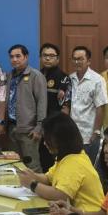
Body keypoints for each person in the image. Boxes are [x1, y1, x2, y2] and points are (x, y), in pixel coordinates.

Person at [17, 112, 105, 211]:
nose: (45, 143)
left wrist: (32, 184)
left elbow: (60, 194)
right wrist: (32, 175)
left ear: (59, 140)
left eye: (47, 139)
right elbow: (48, 178)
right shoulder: (67, 157)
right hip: (73, 214)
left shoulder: (74, 162)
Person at [5, 44, 48, 172]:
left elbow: (42, 103)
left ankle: (37, 186)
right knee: (14, 166)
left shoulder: (36, 76)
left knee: (33, 166)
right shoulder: (9, 76)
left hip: (29, 130)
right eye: (12, 57)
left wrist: (39, 127)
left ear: (26, 57)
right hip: (12, 128)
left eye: (18, 56)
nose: (14, 59)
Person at [39, 43, 71, 171]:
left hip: (54, 127)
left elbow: (66, 106)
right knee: (39, 159)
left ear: (58, 59)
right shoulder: (36, 75)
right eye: (45, 55)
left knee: (53, 162)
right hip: (37, 126)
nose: (47, 58)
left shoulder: (64, 78)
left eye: (51, 56)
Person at [68, 46, 108, 145]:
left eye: (80, 59)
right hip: (72, 133)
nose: (77, 62)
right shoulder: (69, 79)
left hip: (89, 135)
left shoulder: (97, 80)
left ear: (88, 61)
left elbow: (101, 107)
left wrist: (96, 131)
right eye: (74, 59)